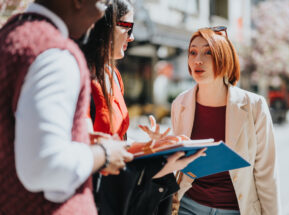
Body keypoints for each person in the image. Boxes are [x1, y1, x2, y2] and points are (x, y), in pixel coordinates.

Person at [0, 0, 134, 214]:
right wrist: (104, 154)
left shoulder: (12, 34)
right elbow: (44, 165)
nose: (102, 15)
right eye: (103, 3)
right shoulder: (55, 53)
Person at [81, 1, 205, 215]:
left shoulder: (113, 75)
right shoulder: (80, 74)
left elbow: (118, 141)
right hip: (95, 194)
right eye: (128, 27)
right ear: (105, 24)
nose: (132, 37)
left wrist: (152, 147)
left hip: (120, 186)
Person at [171, 27, 281, 215]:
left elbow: (266, 174)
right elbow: (178, 165)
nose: (198, 60)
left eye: (208, 52)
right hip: (188, 206)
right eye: (193, 52)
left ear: (224, 57)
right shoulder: (180, 103)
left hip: (236, 209)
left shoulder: (254, 106)